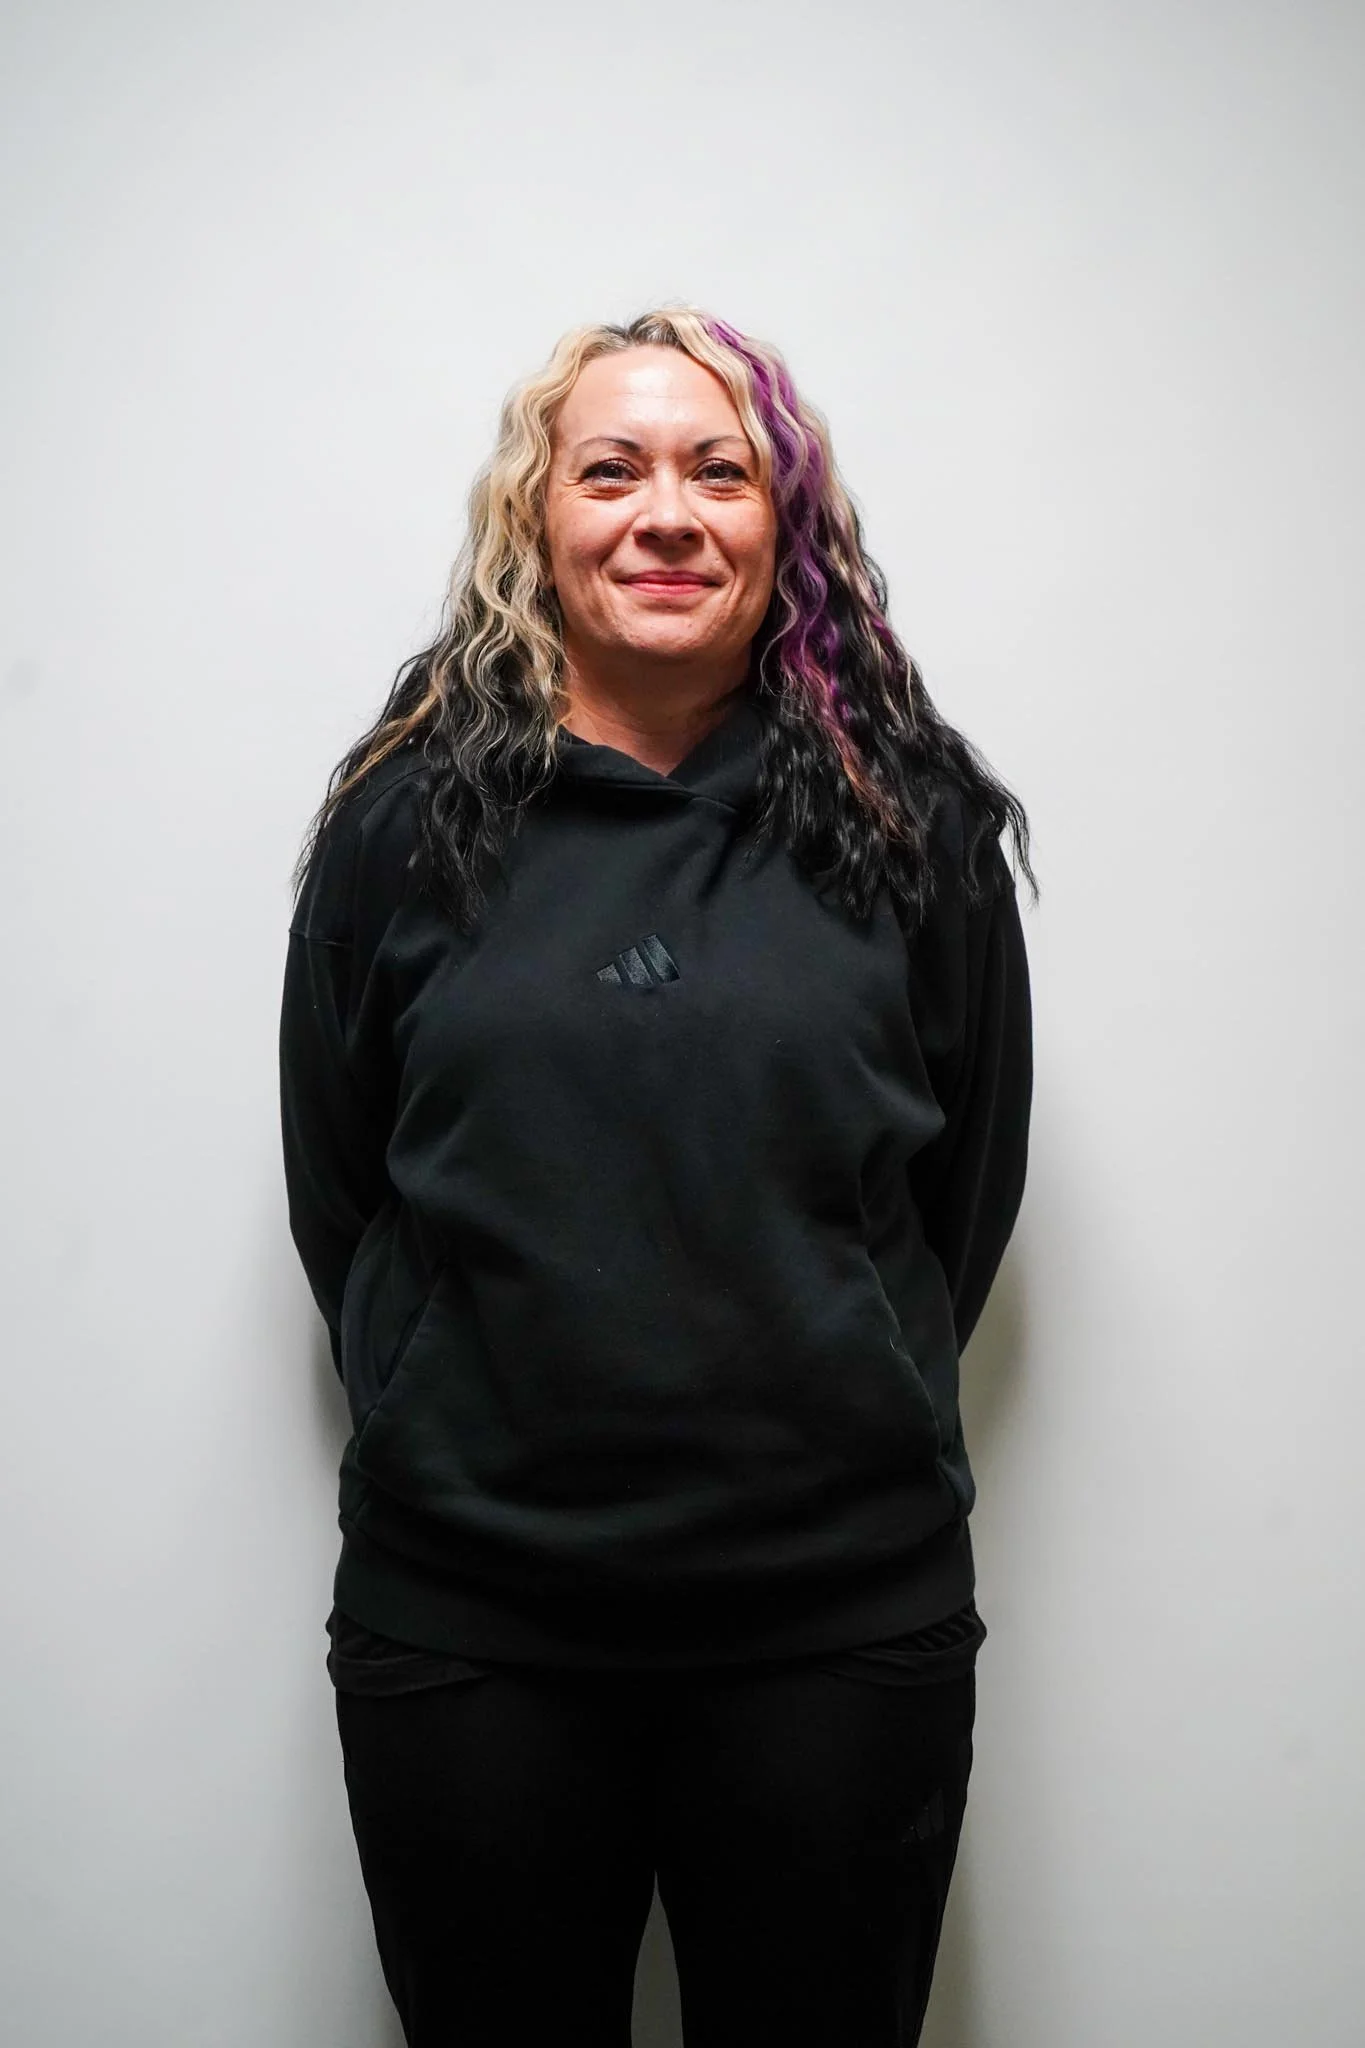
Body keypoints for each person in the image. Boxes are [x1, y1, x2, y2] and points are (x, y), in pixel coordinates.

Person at [278, 304, 1035, 2048]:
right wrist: (427, 1395)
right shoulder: (406, 827)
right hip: (475, 1632)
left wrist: (848, 1369)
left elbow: (960, 1194)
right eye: (608, 470)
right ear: (535, 523)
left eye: (722, 469)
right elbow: (347, 1186)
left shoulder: (908, 826)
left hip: (837, 1630)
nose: (668, 512)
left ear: (789, 527)